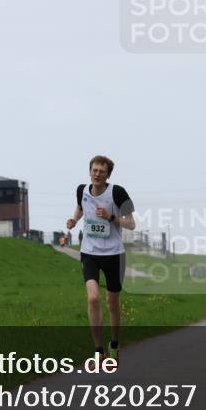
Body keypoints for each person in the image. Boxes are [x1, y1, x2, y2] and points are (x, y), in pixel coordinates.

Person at [66, 155, 135, 362]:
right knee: (93, 298)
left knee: (112, 303)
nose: (97, 174)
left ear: (108, 175)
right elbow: (80, 207)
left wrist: (111, 217)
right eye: (94, 170)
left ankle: (114, 344)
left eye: (101, 172)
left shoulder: (118, 192)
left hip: (114, 254)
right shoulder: (82, 190)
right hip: (89, 253)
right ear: (89, 171)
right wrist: (74, 220)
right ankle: (97, 350)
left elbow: (131, 224)